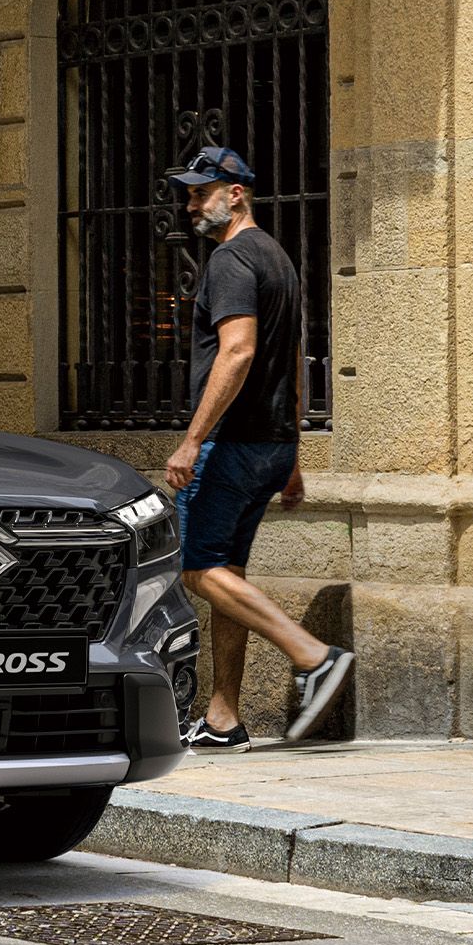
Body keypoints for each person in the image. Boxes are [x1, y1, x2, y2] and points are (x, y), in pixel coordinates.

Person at [162, 142, 354, 749]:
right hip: (269, 446)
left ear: (236, 193)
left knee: (198, 571)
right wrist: (291, 454)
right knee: (229, 573)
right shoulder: (277, 258)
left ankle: (313, 655)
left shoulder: (230, 259)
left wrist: (192, 440)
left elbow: (240, 351)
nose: (192, 205)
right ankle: (224, 717)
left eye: (201, 193)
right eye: (189, 195)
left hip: (231, 446)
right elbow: (291, 359)